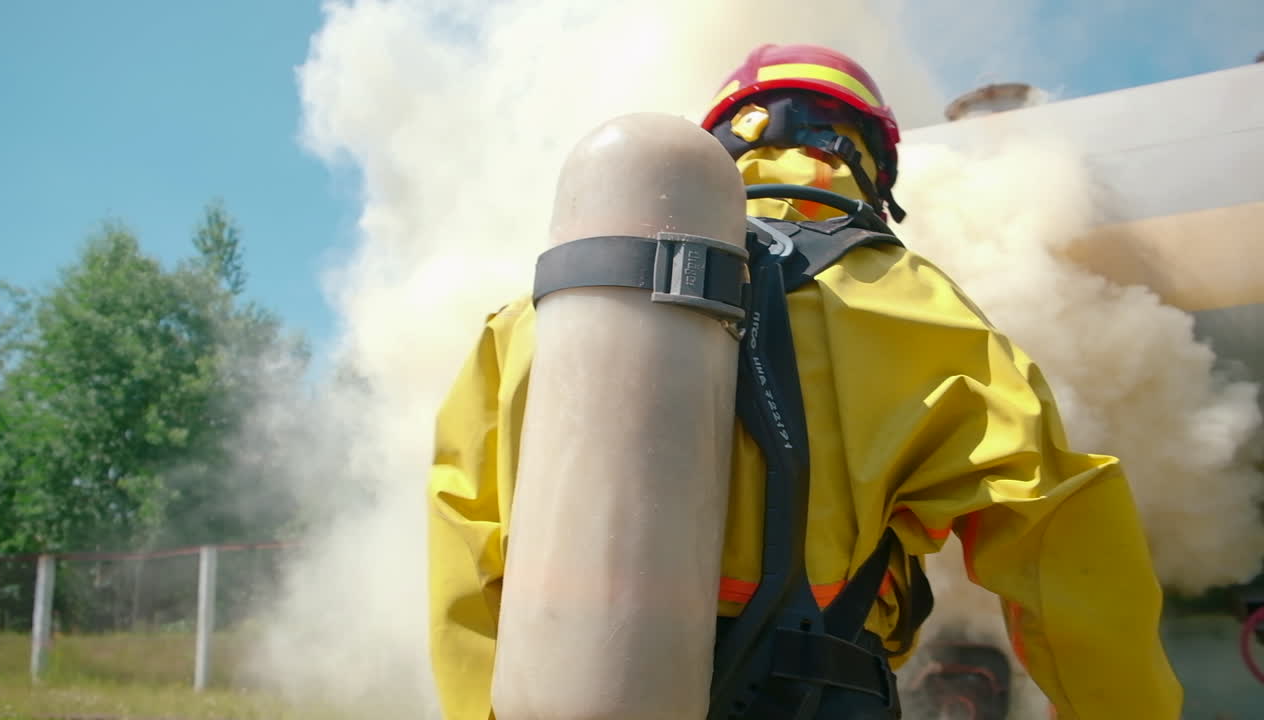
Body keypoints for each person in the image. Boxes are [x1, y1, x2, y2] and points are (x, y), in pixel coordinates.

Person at [427, 43, 1182, 719]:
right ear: (870, 164)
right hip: (817, 691)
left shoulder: (545, 311)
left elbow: (467, 540)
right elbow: (1057, 527)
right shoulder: (916, 305)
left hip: (571, 691)